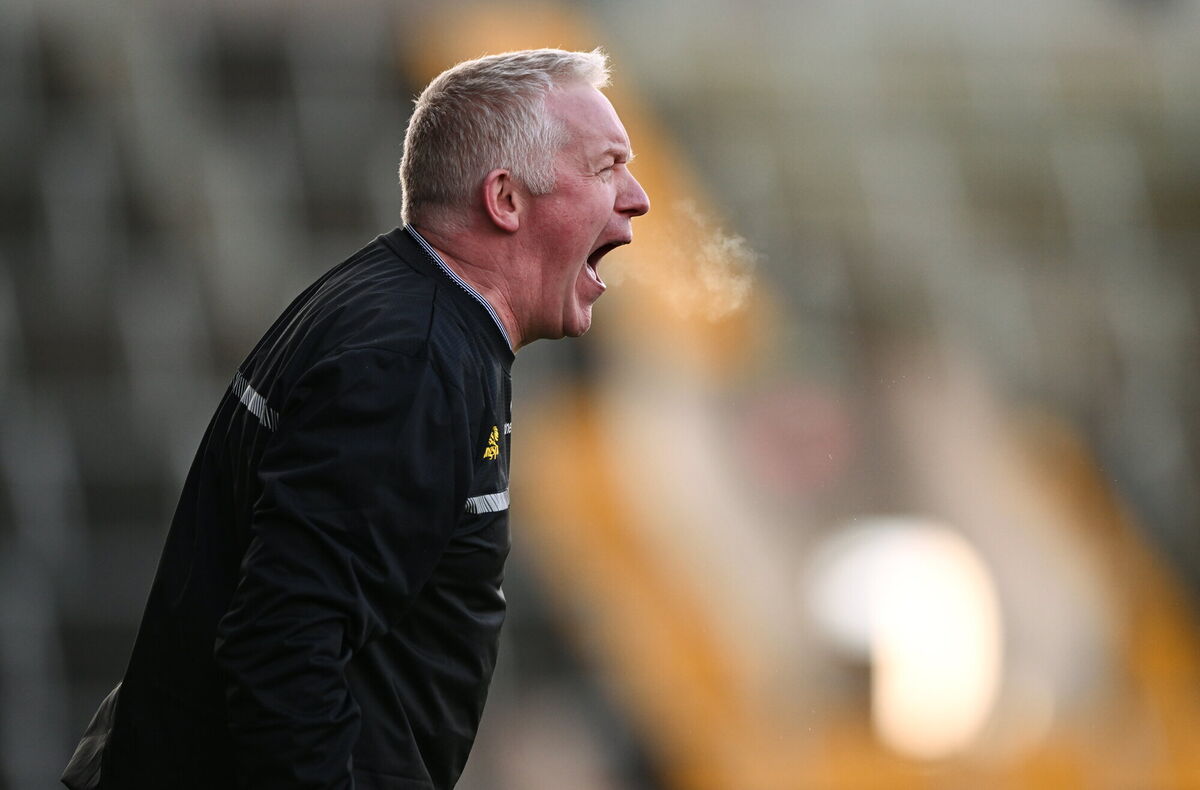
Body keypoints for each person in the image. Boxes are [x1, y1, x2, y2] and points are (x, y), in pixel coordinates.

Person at [62, 47, 649, 790]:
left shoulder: (401, 310)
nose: (637, 198)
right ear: (505, 200)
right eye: (605, 169)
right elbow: (283, 646)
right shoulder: (412, 361)